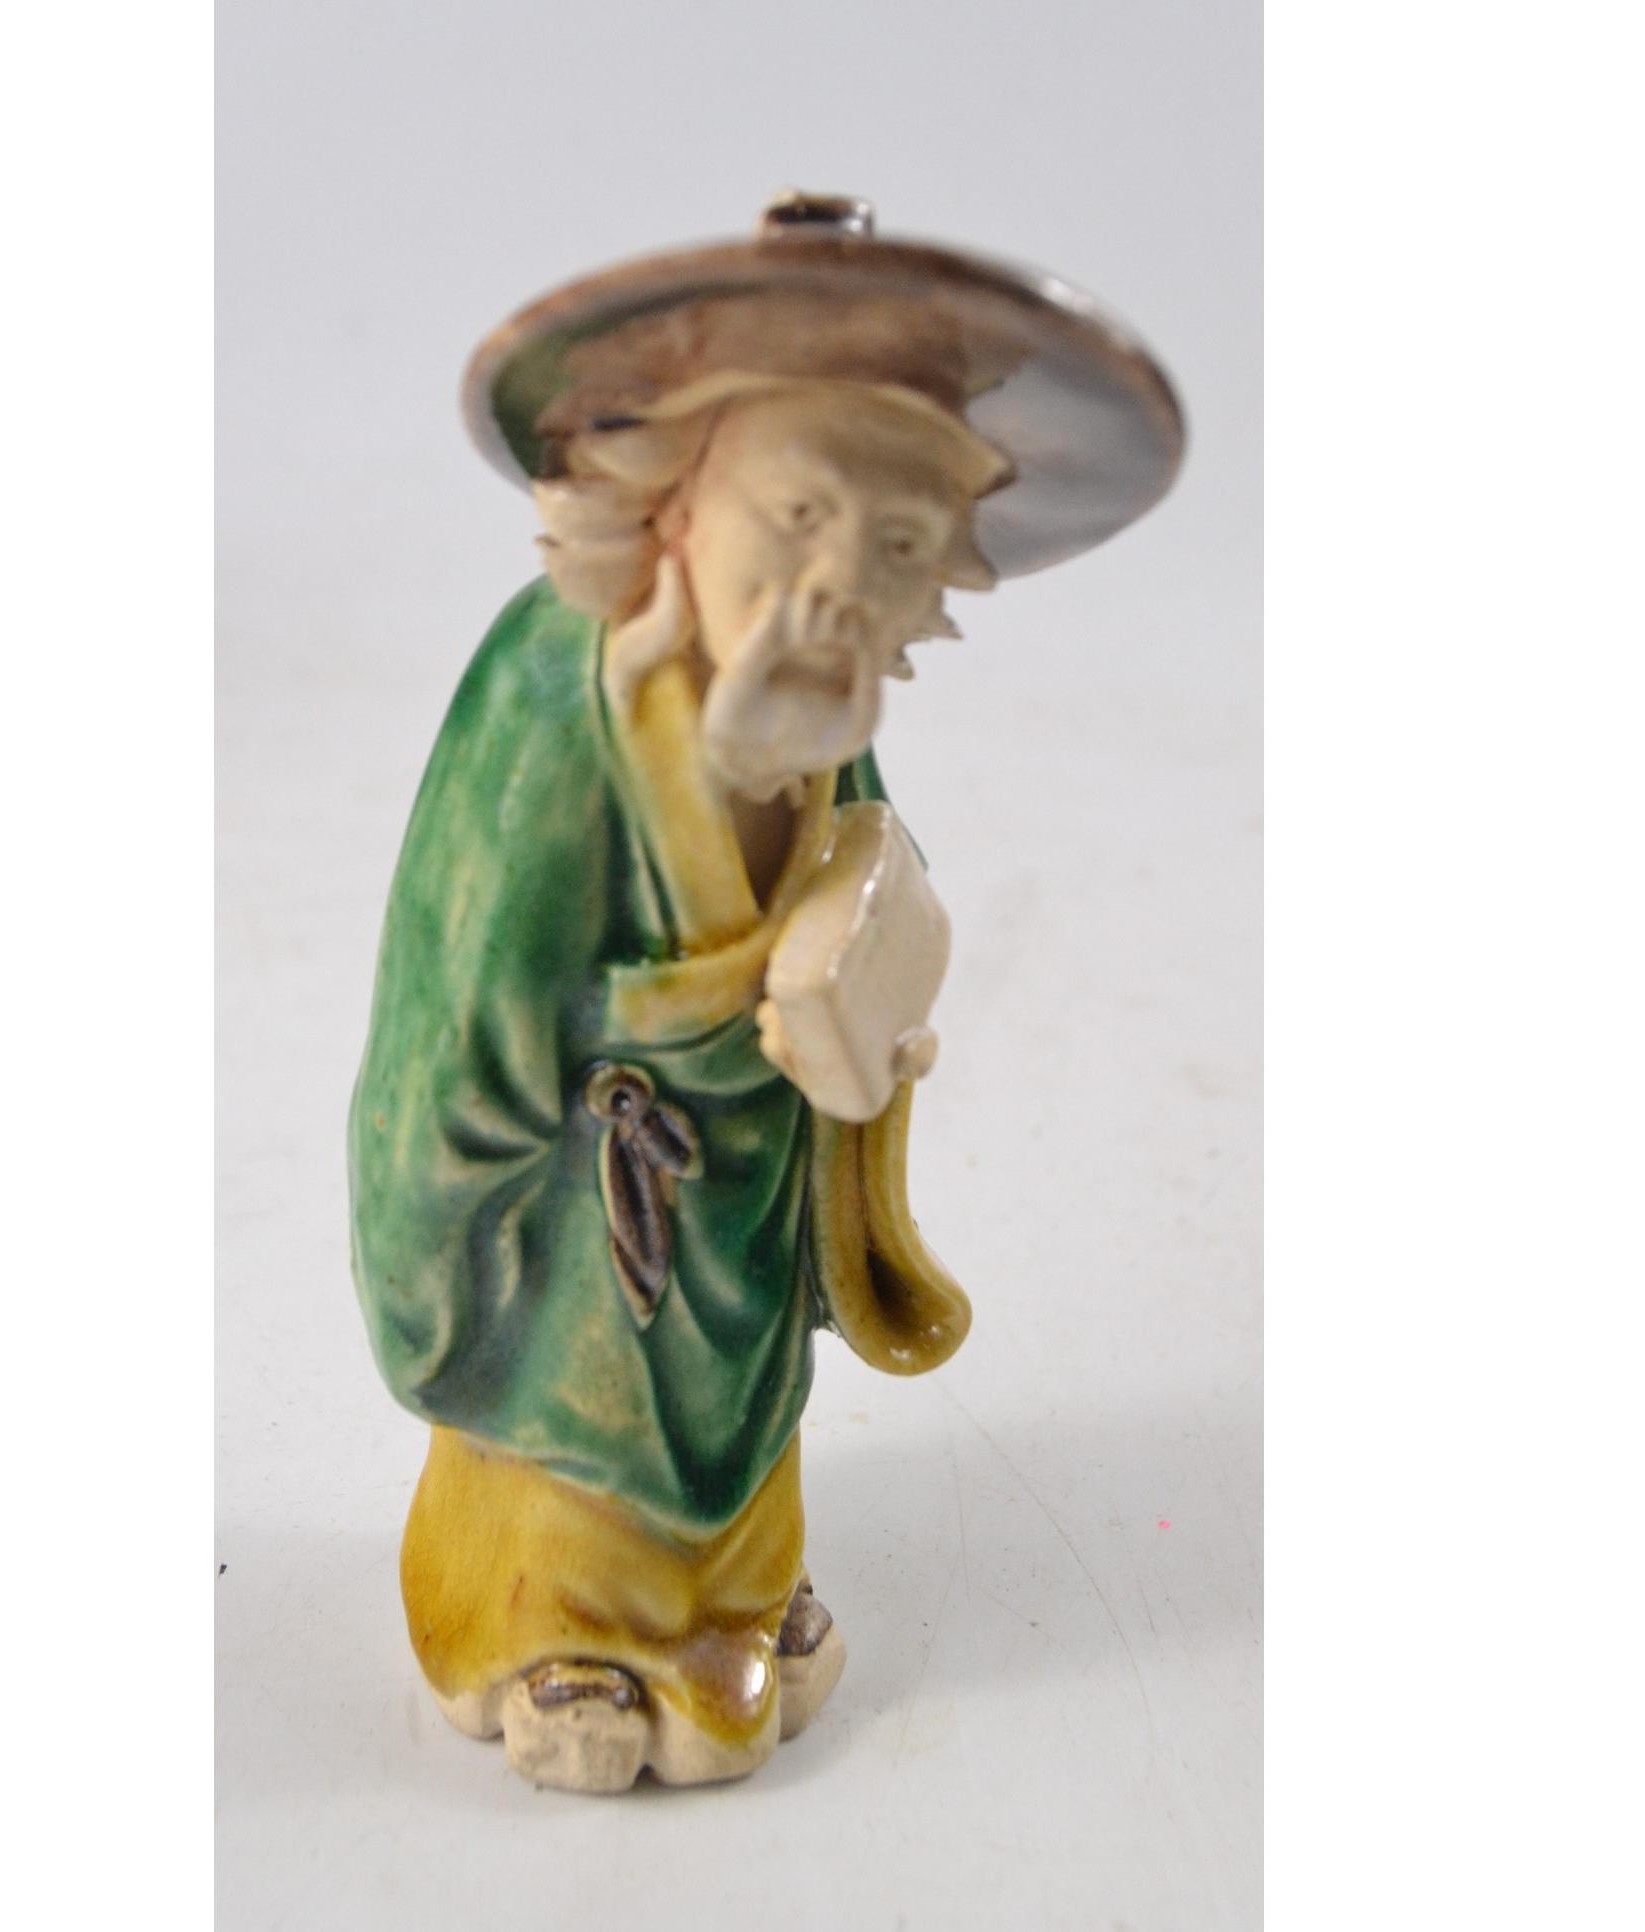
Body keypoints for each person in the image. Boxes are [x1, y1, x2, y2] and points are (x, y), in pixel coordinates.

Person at [349, 197, 1184, 1790]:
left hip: (739, 1197)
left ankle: (736, 1601)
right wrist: (435, 1281)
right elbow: (451, 1049)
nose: (835, 588)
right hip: (584, 1220)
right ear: (667, 499)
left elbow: (860, 898)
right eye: (797, 513)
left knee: (740, 1404)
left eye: (894, 551)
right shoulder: (553, 704)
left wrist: (859, 1023)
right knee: (582, 1422)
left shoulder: (812, 718)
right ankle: (549, 1628)